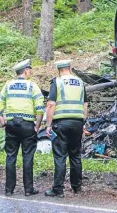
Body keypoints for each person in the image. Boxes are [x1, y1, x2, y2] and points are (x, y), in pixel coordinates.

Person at [0, 59, 44, 197]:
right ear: (26, 71)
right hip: (27, 126)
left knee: (10, 157)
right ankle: (28, 189)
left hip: (11, 125)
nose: (30, 72)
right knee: (27, 157)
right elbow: (40, 109)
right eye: (30, 70)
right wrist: (38, 126)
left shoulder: (8, 85)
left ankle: (9, 190)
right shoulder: (32, 86)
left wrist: (3, 121)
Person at [45, 60, 88, 198]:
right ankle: (77, 187)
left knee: (60, 156)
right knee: (75, 155)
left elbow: (51, 105)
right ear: (69, 68)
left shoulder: (56, 82)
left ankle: (58, 189)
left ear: (59, 69)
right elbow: (85, 104)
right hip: (77, 122)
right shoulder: (80, 82)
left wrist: (48, 125)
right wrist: (83, 122)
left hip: (61, 124)